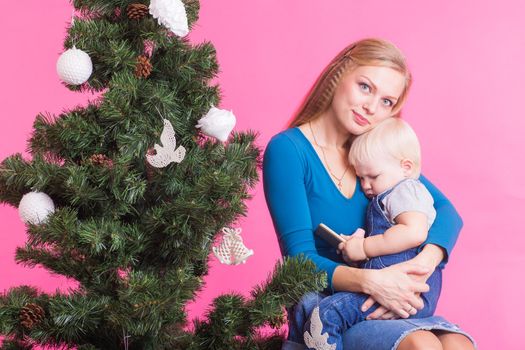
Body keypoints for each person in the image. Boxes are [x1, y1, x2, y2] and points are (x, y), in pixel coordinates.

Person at [263, 38, 476, 349]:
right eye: (365, 87)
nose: (371, 108)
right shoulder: (288, 150)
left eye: (387, 102)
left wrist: (424, 264)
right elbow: (300, 262)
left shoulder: (374, 155)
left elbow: (447, 213)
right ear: (339, 72)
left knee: (458, 345)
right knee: (422, 345)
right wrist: (373, 283)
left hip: (387, 297)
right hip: (329, 308)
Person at [303, 118, 449, 350]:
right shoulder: (392, 193)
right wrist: (356, 249)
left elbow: (414, 232)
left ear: (406, 167)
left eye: (373, 176)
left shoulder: (405, 190)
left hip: (409, 291)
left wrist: (364, 247)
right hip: (403, 292)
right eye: (361, 177)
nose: (365, 185)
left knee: (325, 315)